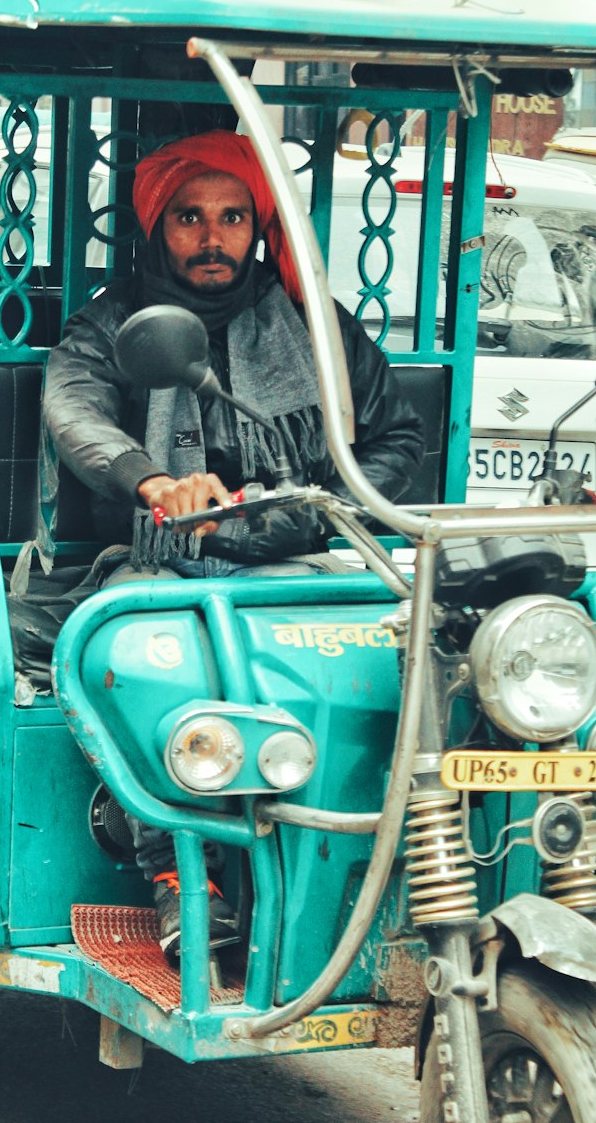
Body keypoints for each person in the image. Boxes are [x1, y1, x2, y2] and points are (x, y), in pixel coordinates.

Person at [43, 130, 424, 959]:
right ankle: (179, 876)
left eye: (232, 216)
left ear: (259, 226)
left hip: (293, 554)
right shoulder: (111, 325)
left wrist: (320, 509)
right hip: (156, 562)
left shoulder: (314, 326)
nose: (213, 237)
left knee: (405, 652)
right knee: (139, 654)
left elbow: (396, 436)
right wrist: (153, 482)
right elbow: (75, 414)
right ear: (156, 229)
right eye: (189, 217)